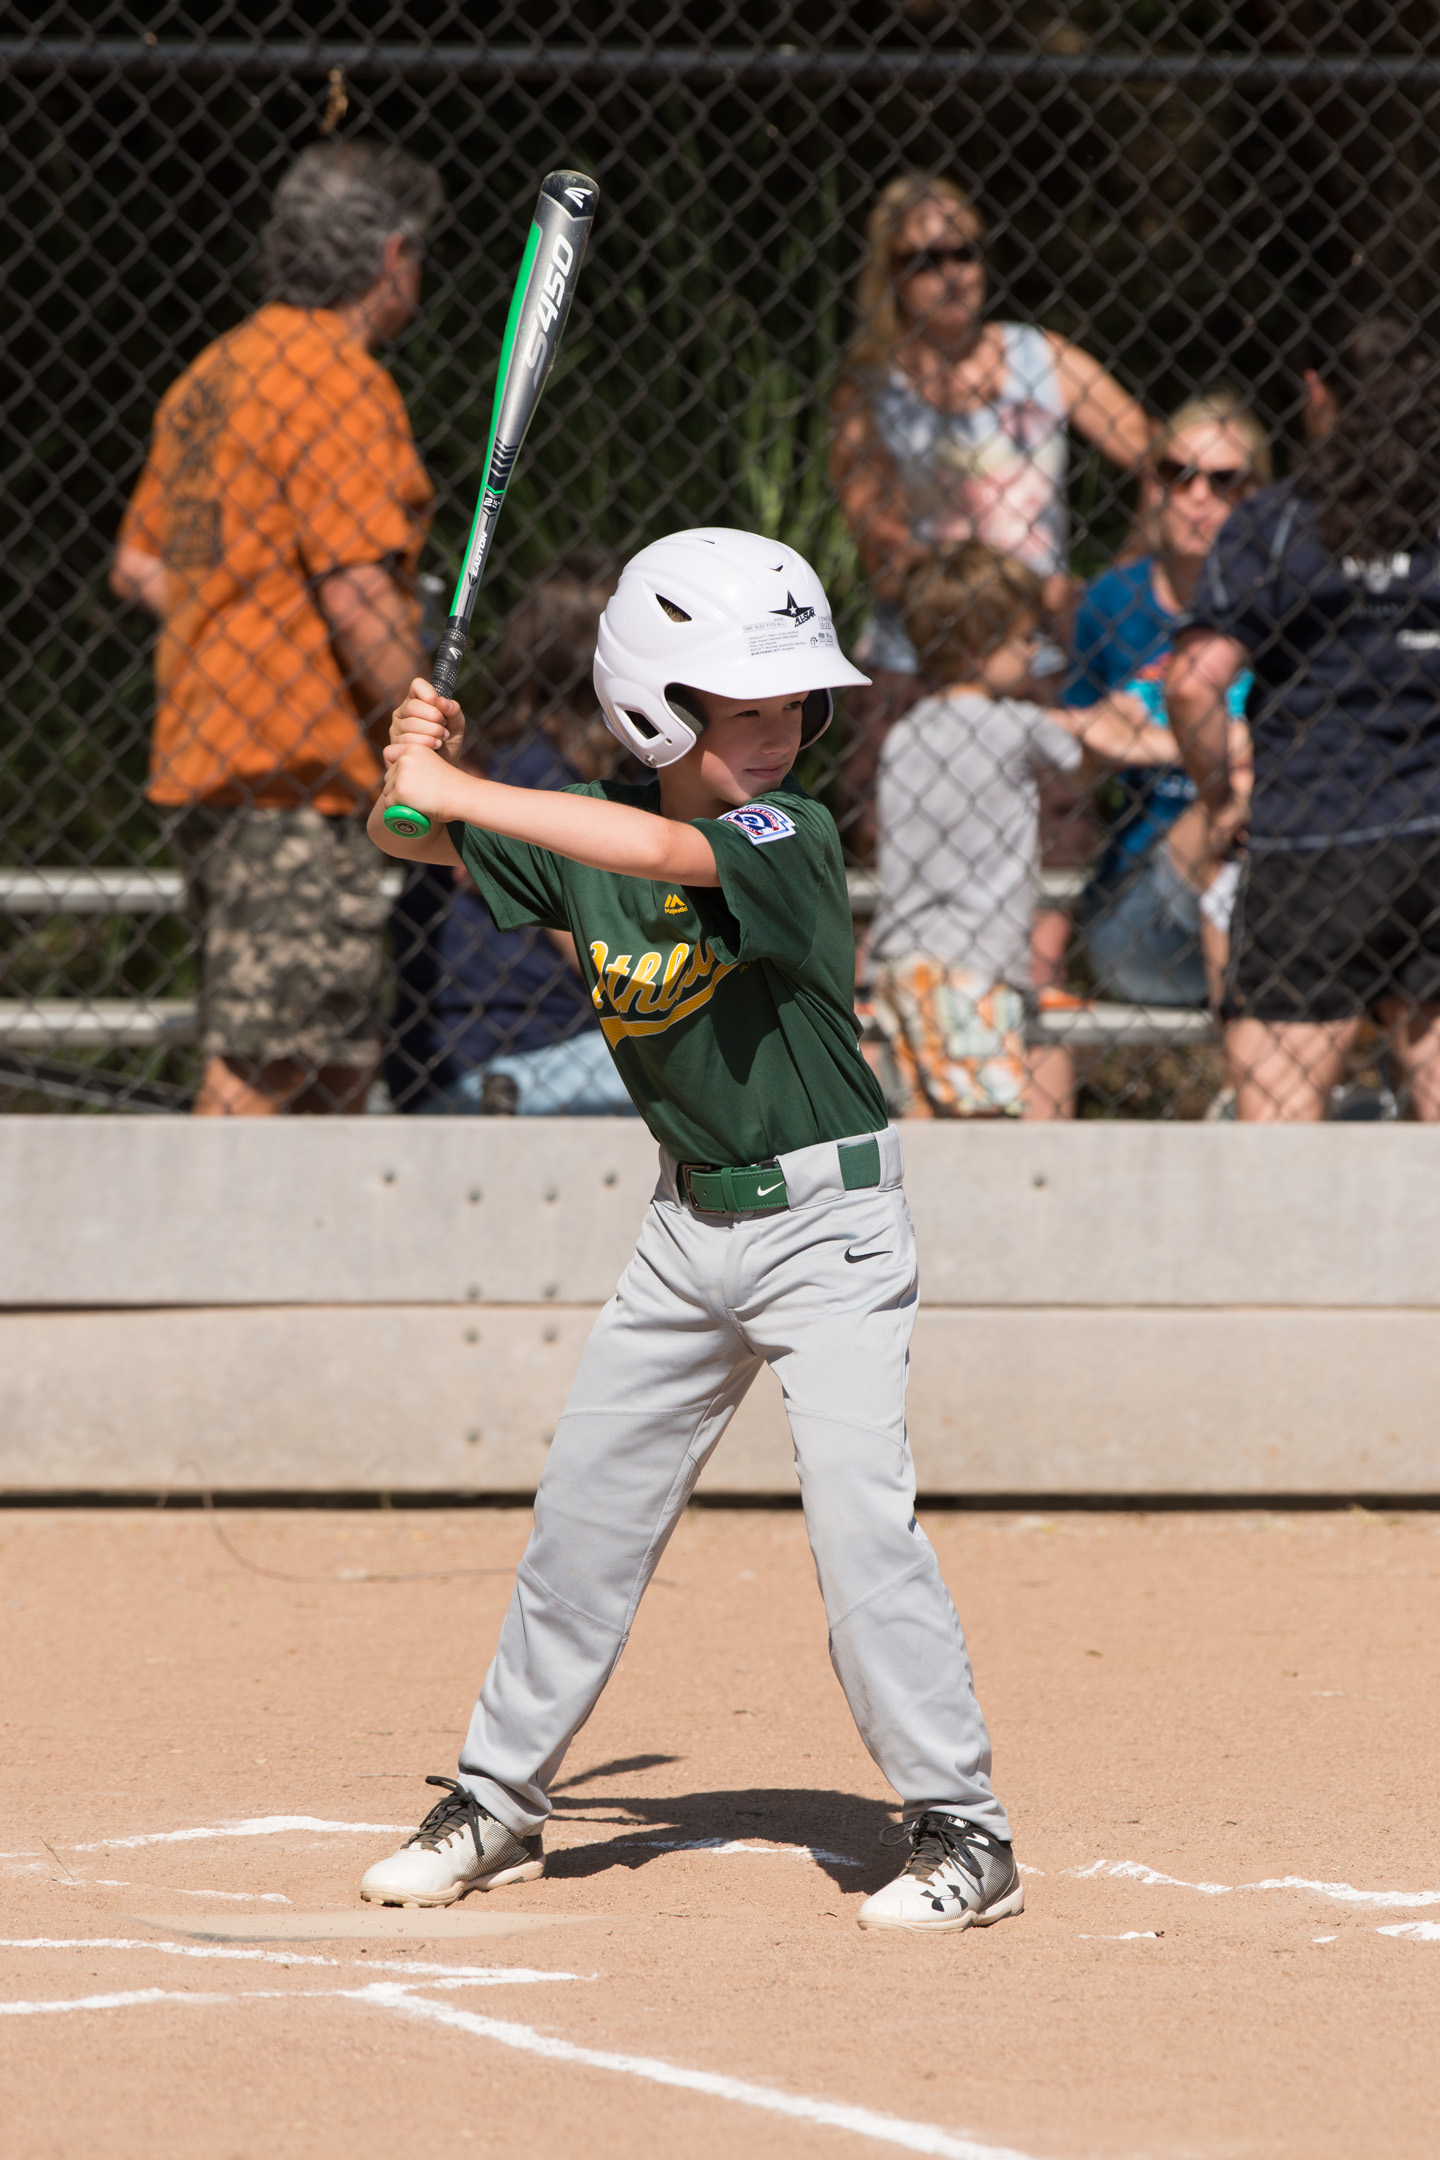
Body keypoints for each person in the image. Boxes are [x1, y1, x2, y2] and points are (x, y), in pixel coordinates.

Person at [361, 527, 1025, 1936]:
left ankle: (965, 1827)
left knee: (861, 1523)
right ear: (653, 707)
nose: (779, 736)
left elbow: (662, 849)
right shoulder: (580, 832)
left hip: (830, 1230)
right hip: (684, 1232)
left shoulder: (788, 835)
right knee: (583, 1522)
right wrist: (412, 767)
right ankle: (496, 1800)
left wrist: (462, 786)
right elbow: (410, 836)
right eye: (745, 710)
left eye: (796, 707)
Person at [110, 140, 439, 1115]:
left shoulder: (213, 375)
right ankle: (190, 1226)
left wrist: (241, 619)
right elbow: (358, 595)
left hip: (209, 757)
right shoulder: (338, 381)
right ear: (392, 257)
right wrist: (428, 725)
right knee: (268, 1066)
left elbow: (141, 564)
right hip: (297, 776)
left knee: (334, 1062)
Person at [829, 171, 1152, 863]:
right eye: (924, 259)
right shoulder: (870, 391)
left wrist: (1110, 585)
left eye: (964, 252)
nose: (951, 273)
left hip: (1037, 660)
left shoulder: (1043, 357)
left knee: (1052, 856)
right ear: (889, 273)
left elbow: (1164, 464)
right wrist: (1006, 596)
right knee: (898, 860)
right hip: (916, 662)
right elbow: (885, 555)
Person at [1170, 318, 1440, 1120]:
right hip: (1434, 827)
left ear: (1318, 395)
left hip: (1313, 837)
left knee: (1277, 1136)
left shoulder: (1279, 522)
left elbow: (1193, 683)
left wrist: (1220, 795)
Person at [868, 544, 1176, 1118]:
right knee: (984, 1120)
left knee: (924, 1121)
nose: (1036, 652)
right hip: (970, 963)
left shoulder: (906, 731)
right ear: (977, 645)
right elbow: (1102, 750)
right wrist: (1173, 735)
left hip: (900, 957)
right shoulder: (1016, 725)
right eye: (1026, 638)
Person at [387, 553, 636, 1116]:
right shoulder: (536, 775)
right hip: (508, 1065)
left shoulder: (499, 762)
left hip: (509, 1058)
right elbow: (614, 965)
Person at [1067, 391, 1269, 1006]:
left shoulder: (1288, 599)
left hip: (1278, 878)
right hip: (1143, 906)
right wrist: (1227, 746)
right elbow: (1074, 762)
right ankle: (1247, 1028)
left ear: (1256, 495)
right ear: (1154, 485)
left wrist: (1152, 741)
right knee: (1230, 794)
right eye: (1177, 474)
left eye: (1223, 480)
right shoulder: (1111, 601)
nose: (1197, 496)